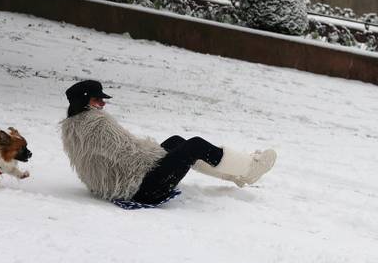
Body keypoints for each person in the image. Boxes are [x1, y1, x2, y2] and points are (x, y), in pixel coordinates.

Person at [60, 80, 276, 205]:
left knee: (176, 142)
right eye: (97, 100)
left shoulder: (74, 126)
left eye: (103, 99)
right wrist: (159, 156)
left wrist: (163, 155)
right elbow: (129, 155)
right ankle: (249, 169)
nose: (103, 103)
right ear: (84, 102)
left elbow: (120, 153)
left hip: (121, 185)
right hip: (139, 190)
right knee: (195, 145)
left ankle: (234, 174)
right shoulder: (97, 125)